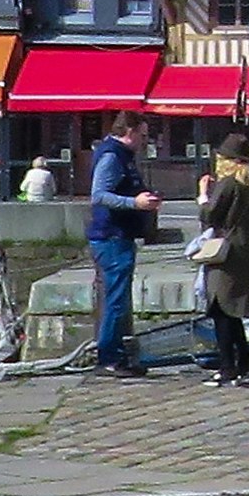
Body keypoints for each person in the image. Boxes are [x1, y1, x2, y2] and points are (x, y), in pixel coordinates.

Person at [195, 129, 249, 381]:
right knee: (232, 308)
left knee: (220, 308)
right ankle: (246, 363)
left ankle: (227, 367)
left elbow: (210, 215)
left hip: (227, 251)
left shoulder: (229, 183)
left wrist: (203, 195)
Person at [82, 119, 152, 375]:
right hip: (111, 237)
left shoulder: (124, 155)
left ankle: (116, 353)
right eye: (142, 136)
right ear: (130, 132)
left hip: (121, 236)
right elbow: (99, 194)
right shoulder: (112, 156)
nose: (145, 142)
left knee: (119, 298)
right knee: (115, 299)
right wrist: (135, 202)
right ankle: (109, 357)